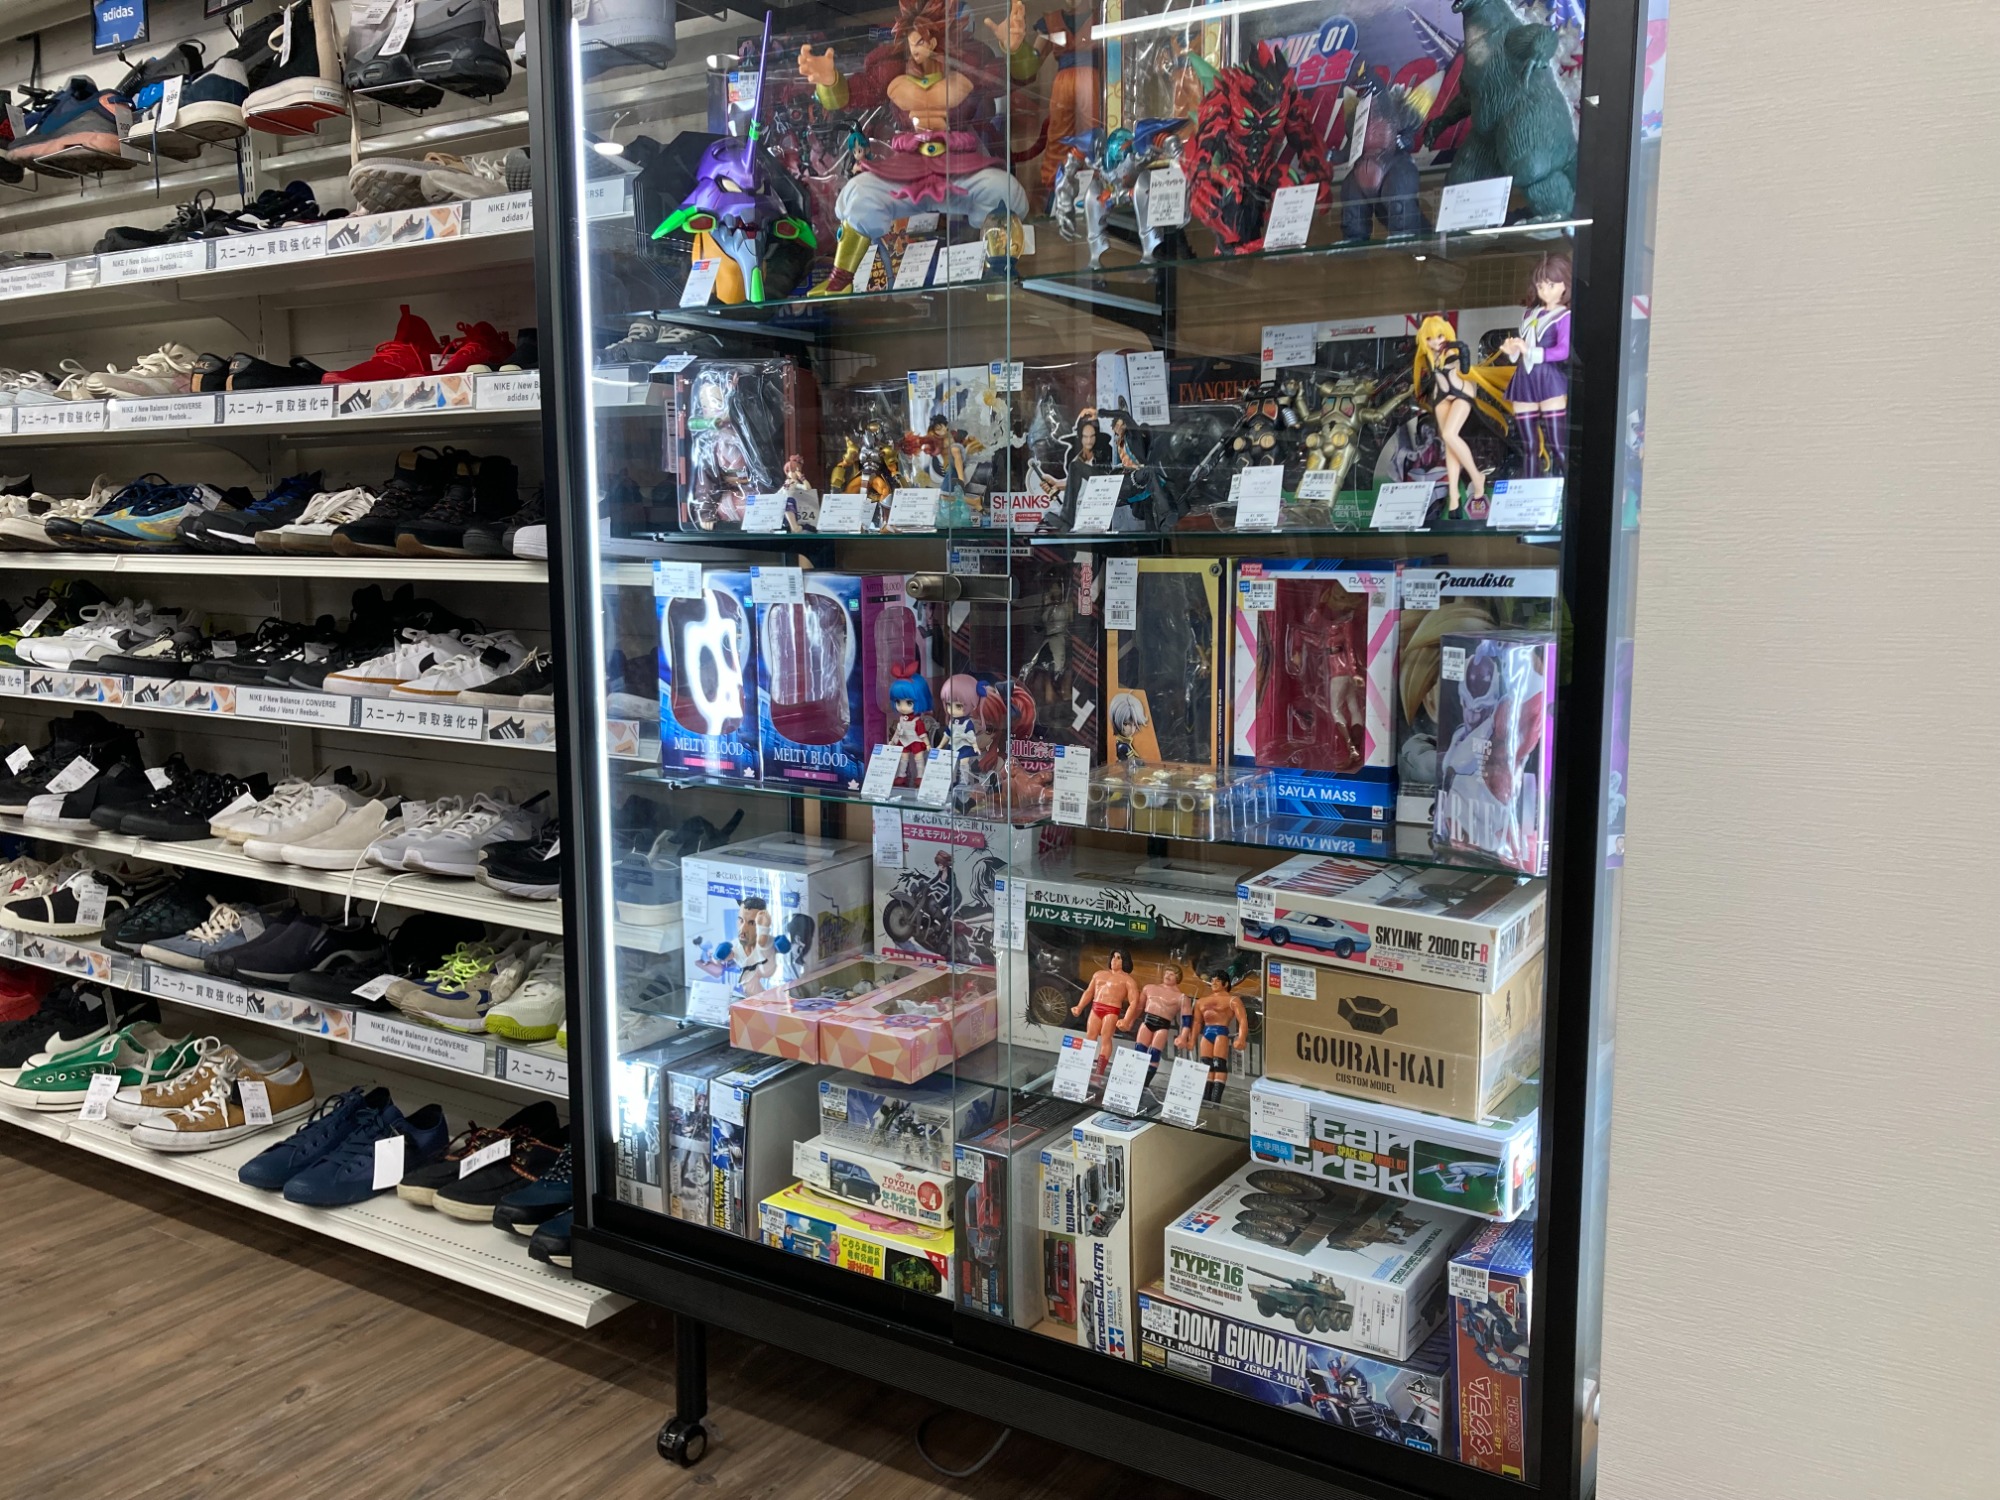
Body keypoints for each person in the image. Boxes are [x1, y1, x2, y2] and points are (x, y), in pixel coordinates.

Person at [799, 0, 1029, 295]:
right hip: (907, 167)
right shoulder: (891, 71)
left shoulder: (968, 65)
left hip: (958, 164)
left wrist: (1015, 50)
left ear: (936, 40)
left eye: (924, 40)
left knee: (1004, 192)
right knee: (859, 195)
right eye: (912, 40)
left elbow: (1013, 77)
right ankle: (840, 280)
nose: (917, 47)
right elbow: (849, 95)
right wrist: (830, 82)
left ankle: (1000, 271)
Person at [1500, 252, 1572, 476]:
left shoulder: (1564, 316)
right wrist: (1512, 351)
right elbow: (1522, 348)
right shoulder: (1529, 315)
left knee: (1558, 446)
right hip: (1524, 379)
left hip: (1549, 379)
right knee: (1529, 448)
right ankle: (1530, 489)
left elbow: (1563, 350)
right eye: (1541, 286)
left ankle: (1568, 488)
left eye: (1551, 285)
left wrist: (1529, 351)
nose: (1545, 291)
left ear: (1564, 284)